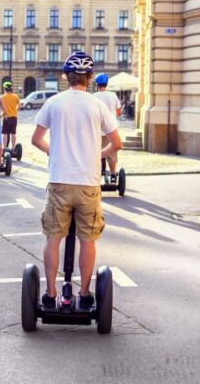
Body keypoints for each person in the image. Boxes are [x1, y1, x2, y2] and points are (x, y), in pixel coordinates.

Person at [31, 52, 122, 310]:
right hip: (88, 183)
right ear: (90, 78)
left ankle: (49, 295)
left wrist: (54, 151)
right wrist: (97, 155)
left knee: (53, 237)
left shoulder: (54, 102)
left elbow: (36, 139)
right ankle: (83, 295)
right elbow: (117, 143)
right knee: (87, 239)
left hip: (59, 180)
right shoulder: (98, 105)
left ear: (65, 77)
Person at [93, 73, 122, 180]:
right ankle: (113, 174)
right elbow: (119, 111)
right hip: (111, 130)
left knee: (98, 153)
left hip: (97, 130)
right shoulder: (113, 95)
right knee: (112, 153)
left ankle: (98, 174)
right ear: (106, 84)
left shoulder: (93, 97)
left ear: (97, 84)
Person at [0, 81, 20, 150]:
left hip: (6, 117)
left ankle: (5, 148)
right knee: (13, 133)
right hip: (14, 117)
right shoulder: (15, 96)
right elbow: (18, 106)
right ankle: (13, 148)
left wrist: (2, 114)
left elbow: (2, 108)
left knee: (5, 133)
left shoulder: (2, 97)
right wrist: (15, 111)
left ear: (4, 89)